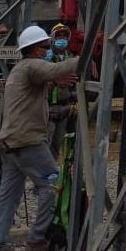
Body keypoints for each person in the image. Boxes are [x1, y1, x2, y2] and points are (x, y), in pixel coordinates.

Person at [0, 25, 79, 251]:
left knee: (8, 196)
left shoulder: (20, 70)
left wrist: (54, 82)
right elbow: (58, 67)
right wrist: (88, 55)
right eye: (46, 47)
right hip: (28, 141)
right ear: (35, 50)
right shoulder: (32, 65)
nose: (49, 50)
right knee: (53, 184)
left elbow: (42, 82)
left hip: (9, 142)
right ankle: (38, 238)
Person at [46, 22, 75, 159]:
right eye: (59, 36)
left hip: (65, 107)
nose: (62, 39)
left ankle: (51, 172)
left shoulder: (71, 58)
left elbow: (75, 83)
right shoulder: (47, 58)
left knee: (58, 142)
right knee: (46, 141)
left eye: (64, 36)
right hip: (49, 107)